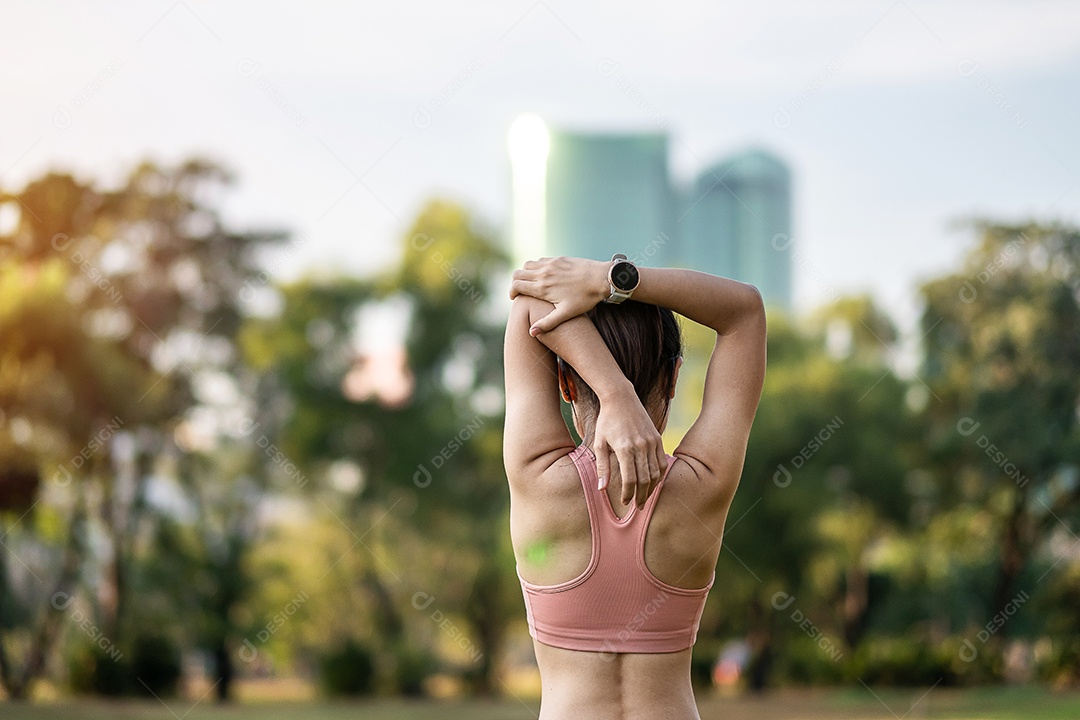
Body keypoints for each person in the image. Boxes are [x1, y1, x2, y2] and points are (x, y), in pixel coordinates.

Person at [503, 255, 766, 720]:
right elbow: (744, 310)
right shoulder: (702, 484)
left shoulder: (538, 477)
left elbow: (527, 300)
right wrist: (614, 280)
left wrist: (611, 390)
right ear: (673, 378)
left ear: (564, 382)